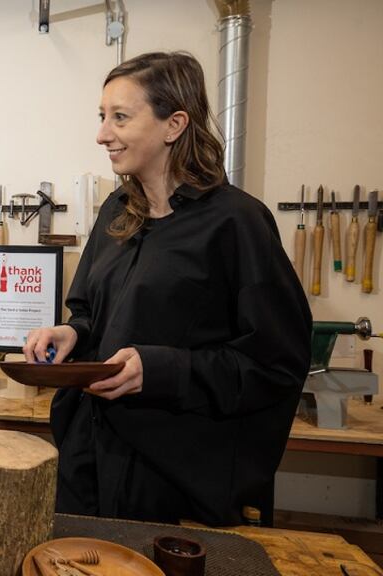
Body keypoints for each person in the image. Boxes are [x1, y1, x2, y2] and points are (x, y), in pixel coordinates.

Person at [23, 52, 311, 527]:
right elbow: (89, 314)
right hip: (88, 456)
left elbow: (275, 364)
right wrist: (72, 334)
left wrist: (162, 370)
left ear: (174, 124)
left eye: (120, 117)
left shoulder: (236, 223)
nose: (101, 134)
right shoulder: (116, 210)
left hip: (171, 478)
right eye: (102, 117)